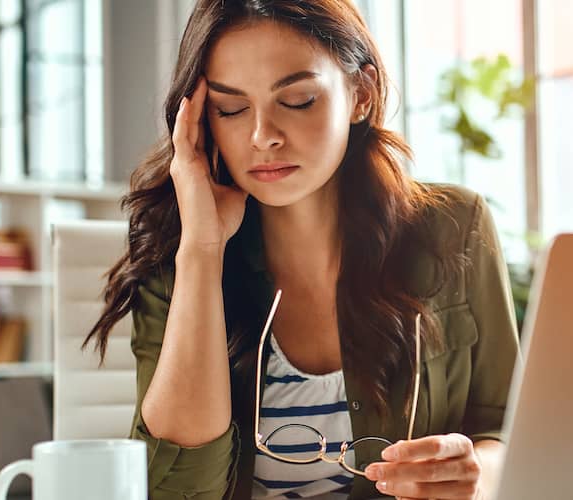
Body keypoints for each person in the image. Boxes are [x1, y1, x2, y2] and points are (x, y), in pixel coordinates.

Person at [86, 1, 519, 498]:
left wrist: (478, 474)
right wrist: (203, 251)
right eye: (230, 109)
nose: (262, 136)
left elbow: (507, 426)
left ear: (361, 93)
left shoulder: (454, 227)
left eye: (296, 101)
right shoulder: (175, 257)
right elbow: (179, 489)